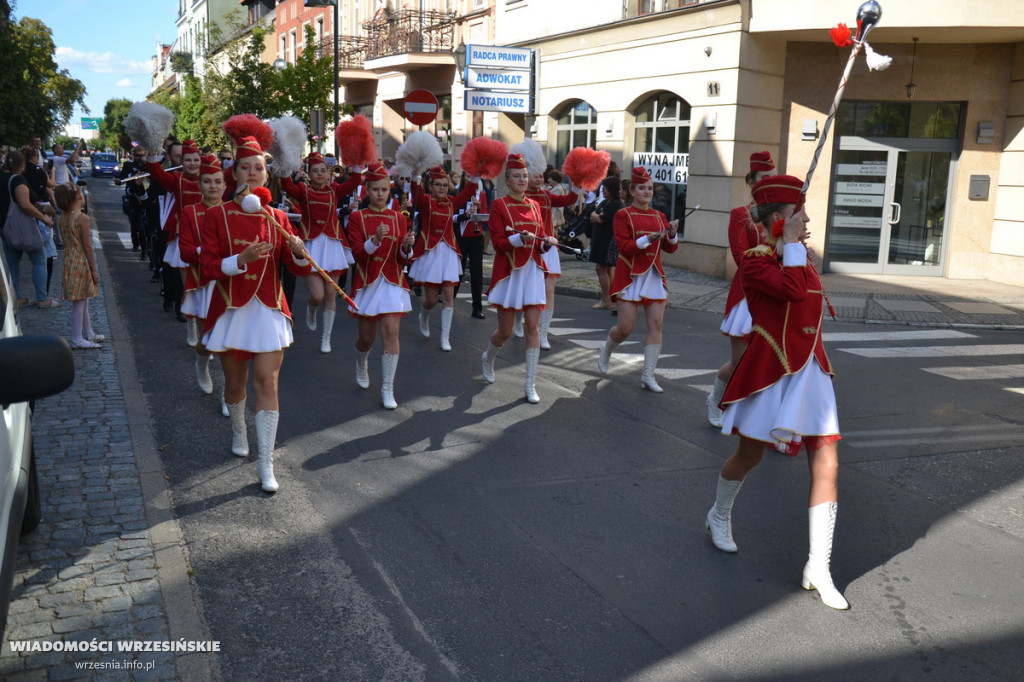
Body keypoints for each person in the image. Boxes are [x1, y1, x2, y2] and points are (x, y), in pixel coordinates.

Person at [704, 174, 848, 611]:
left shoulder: (800, 256)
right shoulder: (755, 262)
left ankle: (818, 567)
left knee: (827, 462)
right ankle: (718, 514)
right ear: (778, 221)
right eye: (798, 214)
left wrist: (794, 247)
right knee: (750, 456)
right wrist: (789, 245)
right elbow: (789, 291)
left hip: (811, 372)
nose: (807, 220)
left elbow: (811, 307)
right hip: (772, 372)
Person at [199, 135, 311, 493]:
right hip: (232, 310)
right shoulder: (217, 215)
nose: (252, 172)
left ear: (266, 176)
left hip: (268, 310)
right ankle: (237, 428)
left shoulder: (277, 217)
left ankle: (266, 462)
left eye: (258, 168)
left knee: (268, 382)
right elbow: (207, 266)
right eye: (245, 167)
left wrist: (297, 251)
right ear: (234, 173)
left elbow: (299, 270)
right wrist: (240, 261)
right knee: (235, 386)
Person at [707, 151, 777, 427]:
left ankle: (758, 416)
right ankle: (714, 399)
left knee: (770, 360)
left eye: (772, 178)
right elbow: (740, 256)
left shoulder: (779, 216)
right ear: (751, 182)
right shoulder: (741, 215)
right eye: (763, 178)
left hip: (774, 293)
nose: (768, 182)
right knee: (742, 363)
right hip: (747, 296)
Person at [597, 166, 679, 392]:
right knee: (625, 328)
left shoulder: (659, 216)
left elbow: (669, 250)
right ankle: (606, 349)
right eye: (642, 188)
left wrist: (670, 234)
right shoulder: (623, 215)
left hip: (653, 275)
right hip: (630, 275)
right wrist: (648, 238)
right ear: (632, 190)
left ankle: (648, 375)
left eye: (650, 188)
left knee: (656, 324)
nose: (647, 192)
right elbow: (625, 247)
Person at [480, 153, 554, 404]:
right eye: (517, 176)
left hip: (532, 270)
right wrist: (518, 239)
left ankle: (530, 384)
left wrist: (547, 244)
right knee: (505, 331)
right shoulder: (499, 205)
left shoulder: (534, 206)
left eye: (525, 175)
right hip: (511, 271)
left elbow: (540, 239)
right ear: (507, 180)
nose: (523, 179)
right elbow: (499, 243)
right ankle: (488, 357)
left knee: (533, 326)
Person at [347, 161, 416, 410]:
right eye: (375, 189)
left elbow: (402, 257)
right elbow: (357, 254)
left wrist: (407, 246)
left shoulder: (399, 218)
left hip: (393, 281)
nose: (379, 194)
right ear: (367, 190)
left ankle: (388, 387)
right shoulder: (357, 218)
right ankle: (361, 361)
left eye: (384, 190)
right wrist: (374, 240)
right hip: (367, 282)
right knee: (366, 339)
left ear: (390, 191)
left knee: (391, 332)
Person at [280, 152, 356, 354]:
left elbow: (354, 181)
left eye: (323, 171)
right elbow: (286, 186)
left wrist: (357, 160)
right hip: (312, 245)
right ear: (309, 173)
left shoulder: (334, 190)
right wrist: (285, 162)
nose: (320, 174)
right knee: (317, 295)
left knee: (331, 293)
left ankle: (326, 338)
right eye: (316, 171)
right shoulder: (303, 191)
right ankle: (312, 308)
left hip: (332, 245)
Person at [178, 154, 228, 416]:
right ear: (199, 186)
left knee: (228, 343)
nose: (212, 186)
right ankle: (201, 364)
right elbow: (185, 252)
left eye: (217, 181)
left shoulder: (231, 210)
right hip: (202, 282)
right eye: (207, 182)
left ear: (224, 185)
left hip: (227, 282)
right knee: (208, 341)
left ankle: (228, 395)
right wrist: (208, 252)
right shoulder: (189, 212)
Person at [409, 166, 478, 351]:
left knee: (448, 295)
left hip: (448, 252)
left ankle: (445, 337)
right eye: (438, 185)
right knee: (431, 300)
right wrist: (415, 174)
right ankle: (424, 317)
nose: (442, 188)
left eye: (445, 185)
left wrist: (476, 173)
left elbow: (469, 191)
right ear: (431, 186)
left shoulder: (452, 202)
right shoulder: (425, 202)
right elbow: (415, 191)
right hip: (430, 252)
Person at [522, 168, 581, 349]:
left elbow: (569, 200)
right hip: (528, 248)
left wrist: (577, 184)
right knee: (526, 289)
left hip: (549, 246)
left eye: (541, 176)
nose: (540, 179)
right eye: (536, 176)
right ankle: (520, 320)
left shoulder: (547, 196)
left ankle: (544, 333)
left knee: (549, 291)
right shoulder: (521, 197)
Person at [148, 139, 202, 325]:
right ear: (182, 162)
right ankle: (183, 307)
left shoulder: (209, 179)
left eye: (196, 160)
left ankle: (202, 311)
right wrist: (151, 148)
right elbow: (156, 172)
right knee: (184, 278)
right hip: (184, 235)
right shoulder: (178, 180)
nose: (192, 164)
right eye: (188, 160)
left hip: (207, 235)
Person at [1, 150, 56, 308]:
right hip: (22, 227)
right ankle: (42, 298)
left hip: (5, 227)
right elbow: (25, 205)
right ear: (22, 164)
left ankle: (16, 297)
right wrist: (43, 217)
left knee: (12, 264)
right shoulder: (17, 180)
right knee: (39, 260)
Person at [54, 183, 103, 348]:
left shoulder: (63, 216)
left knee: (83, 300)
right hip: (80, 259)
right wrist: (94, 269)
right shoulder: (82, 218)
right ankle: (77, 338)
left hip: (69, 257)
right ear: (80, 197)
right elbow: (87, 246)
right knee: (80, 302)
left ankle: (89, 333)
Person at [454, 182, 488, 320]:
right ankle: (449, 299)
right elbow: (452, 217)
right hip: (460, 237)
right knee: (458, 271)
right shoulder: (458, 194)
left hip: (476, 237)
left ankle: (477, 307)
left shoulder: (482, 195)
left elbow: (485, 218)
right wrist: (465, 216)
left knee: (476, 273)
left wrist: (479, 209)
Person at [588, 176, 622, 310]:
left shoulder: (615, 204)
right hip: (600, 239)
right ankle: (610, 297)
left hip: (606, 240)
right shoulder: (605, 202)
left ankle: (606, 299)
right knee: (606, 269)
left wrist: (596, 216)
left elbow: (600, 218)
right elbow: (594, 215)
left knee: (601, 268)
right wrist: (595, 216)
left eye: (606, 188)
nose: (603, 191)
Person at [115, 147, 152, 255]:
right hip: (133, 198)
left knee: (146, 226)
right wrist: (118, 180)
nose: (140, 157)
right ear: (133, 155)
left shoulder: (149, 167)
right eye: (138, 155)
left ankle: (147, 248)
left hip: (146, 199)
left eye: (142, 155)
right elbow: (121, 178)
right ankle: (136, 244)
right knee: (134, 224)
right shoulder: (128, 165)